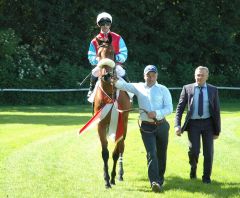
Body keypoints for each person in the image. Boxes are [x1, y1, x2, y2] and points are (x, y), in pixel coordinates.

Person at [112, 65, 173, 192]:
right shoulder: (138, 87)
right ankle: (154, 182)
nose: (150, 78)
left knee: (161, 154)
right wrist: (112, 79)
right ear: (144, 76)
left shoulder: (163, 89)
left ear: (156, 76)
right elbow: (122, 85)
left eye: (153, 75)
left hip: (162, 125)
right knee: (152, 154)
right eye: (148, 75)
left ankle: (160, 179)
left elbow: (169, 108)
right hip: (146, 127)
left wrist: (156, 113)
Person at [175, 66, 221, 184]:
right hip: (193, 124)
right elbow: (180, 108)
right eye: (197, 75)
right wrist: (177, 125)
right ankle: (193, 168)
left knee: (208, 152)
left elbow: (216, 111)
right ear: (195, 76)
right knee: (194, 151)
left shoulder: (213, 90)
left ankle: (206, 178)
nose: (199, 77)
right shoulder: (187, 88)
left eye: (202, 75)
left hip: (208, 124)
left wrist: (217, 131)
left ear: (207, 76)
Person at [87, 12, 128, 97]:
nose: (105, 26)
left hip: (115, 64)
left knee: (120, 70)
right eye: (102, 24)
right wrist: (97, 60)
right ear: (99, 25)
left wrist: (116, 58)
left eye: (107, 23)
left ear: (110, 25)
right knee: (94, 72)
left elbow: (124, 53)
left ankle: (128, 89)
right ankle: (91, 90)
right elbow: (91, 56)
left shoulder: (118, 38)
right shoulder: (94, 41)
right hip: (101, 65)